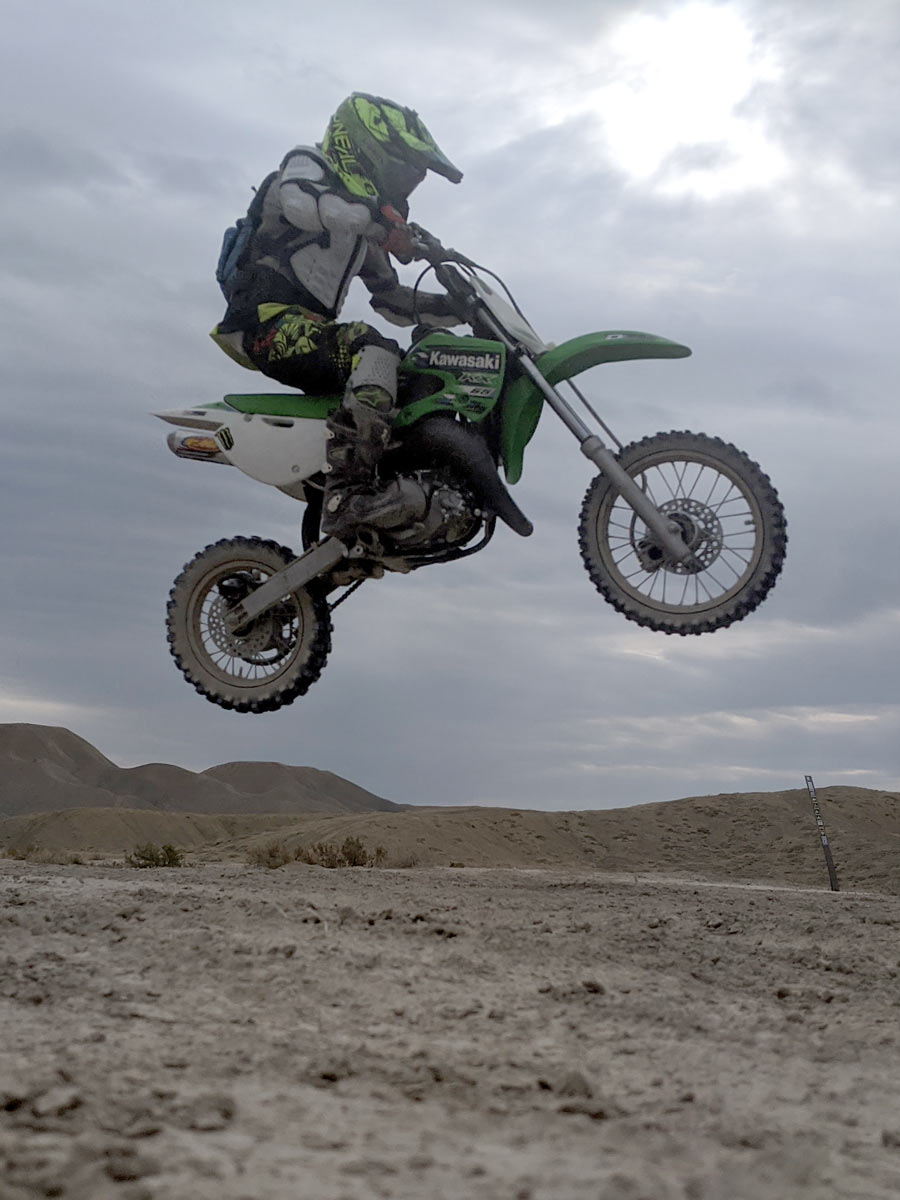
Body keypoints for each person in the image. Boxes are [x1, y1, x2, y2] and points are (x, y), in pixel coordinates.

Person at [210, 93, 463, 541]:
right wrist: (380, 225)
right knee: (373, 346)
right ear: (365, 148)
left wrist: (459, 305)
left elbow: (394, 301)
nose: (405, 185)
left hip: (310, 335)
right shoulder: (306, 168)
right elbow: (303, 207)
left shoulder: (357, 231)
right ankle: (349, 494)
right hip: (267, 324)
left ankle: (399, 498)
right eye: (401, 169)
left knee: (414, 373)